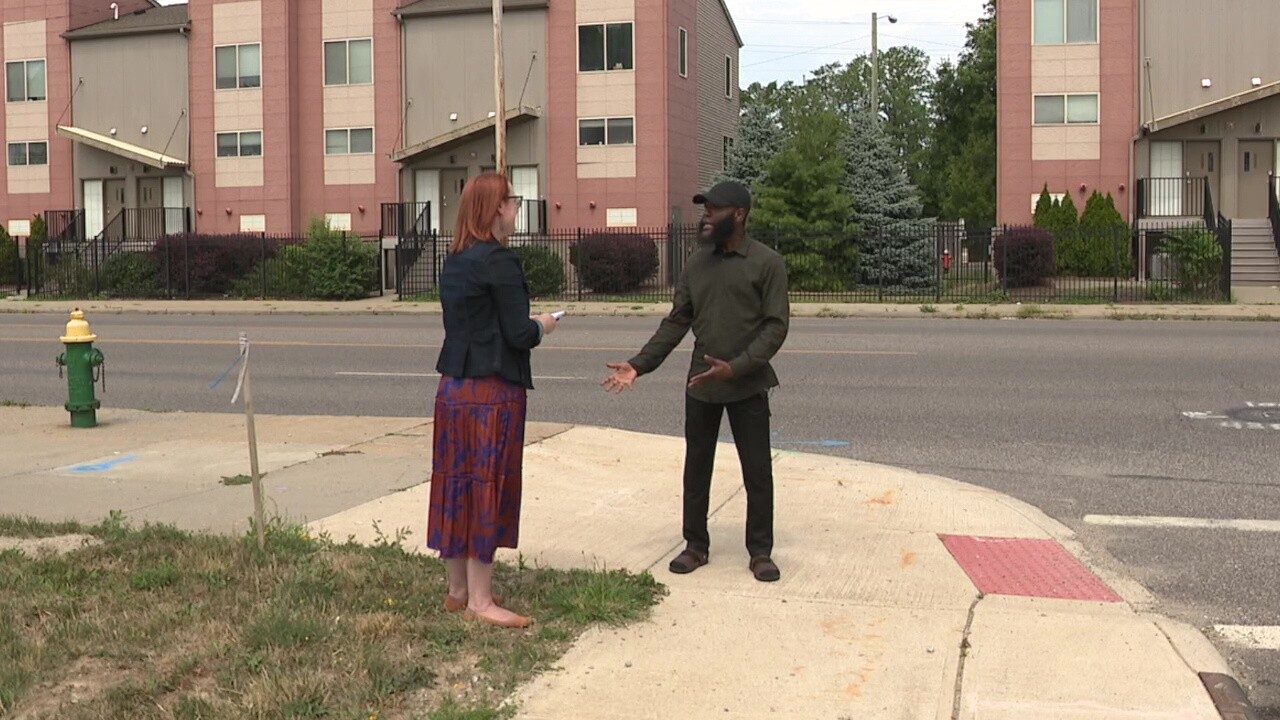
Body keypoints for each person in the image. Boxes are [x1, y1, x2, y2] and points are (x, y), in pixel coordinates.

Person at [602, 181, 790, 582]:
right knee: (697, 466)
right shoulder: (697, 262)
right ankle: (696, 545)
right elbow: (677, 321)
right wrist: (639, 364)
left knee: (757, 471)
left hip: (748, 384)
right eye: (705, 209)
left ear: (738, 215)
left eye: (713, 210)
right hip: (702, 384)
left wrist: (737, 367)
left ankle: (760, 552)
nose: (705, 217)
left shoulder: (766, 262)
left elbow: (775, 328)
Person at [428, 173, 558, 628]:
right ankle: (481, 602)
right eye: (512, 201)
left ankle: (458, 589)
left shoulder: (455, 260)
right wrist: (544, 323)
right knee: (485, 484)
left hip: (453, 389)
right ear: (495, 208)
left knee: (455, 483)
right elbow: (518, 333)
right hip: (493, 391)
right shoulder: (500, 261)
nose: (515, 209)